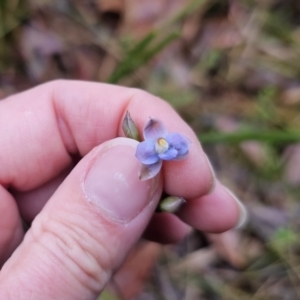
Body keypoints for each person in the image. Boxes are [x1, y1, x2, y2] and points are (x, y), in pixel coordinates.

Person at [0, 80, 246, 299]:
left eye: (164, 143)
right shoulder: (146, 155)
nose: (163, 144)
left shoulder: (159, 151)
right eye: (160, 142)